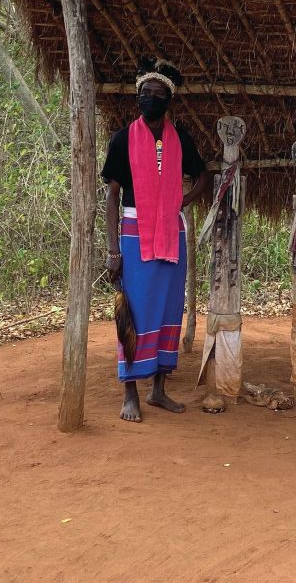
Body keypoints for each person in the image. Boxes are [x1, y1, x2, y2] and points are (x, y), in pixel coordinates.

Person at [101, 59, 211, 423]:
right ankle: (130, 392)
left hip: (171, 234)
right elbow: (112, 196)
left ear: (168, 100)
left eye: (157, 93)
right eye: (144, 93)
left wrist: (181, 201)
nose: (149, 98)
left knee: (166, 310)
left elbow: (203, 176)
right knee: (132, 311)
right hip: (134, 235)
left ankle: (158, 390)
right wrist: (113, 250)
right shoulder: (121, 140)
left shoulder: (182, 141)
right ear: (137, 97)